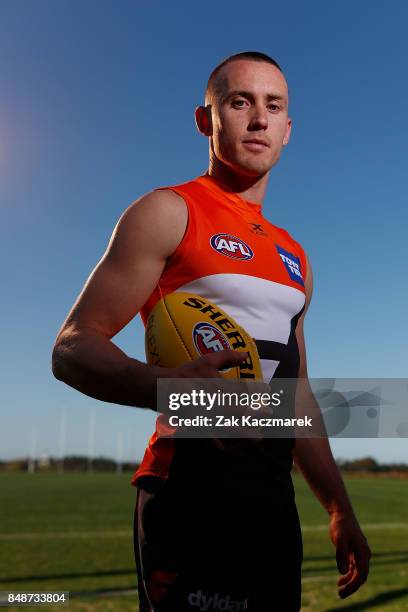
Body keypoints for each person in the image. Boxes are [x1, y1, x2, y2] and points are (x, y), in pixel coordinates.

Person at [52, 51, 371, 611]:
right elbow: (73, 348)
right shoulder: (167, 212)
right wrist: (172, 390)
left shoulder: (296, 257)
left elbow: (294, 397)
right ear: (207, 119)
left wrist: (340, 508)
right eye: (240, 101)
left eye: (274, 106)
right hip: (189, 491)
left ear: (288, 129)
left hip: (273, 503)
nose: (258, 119)